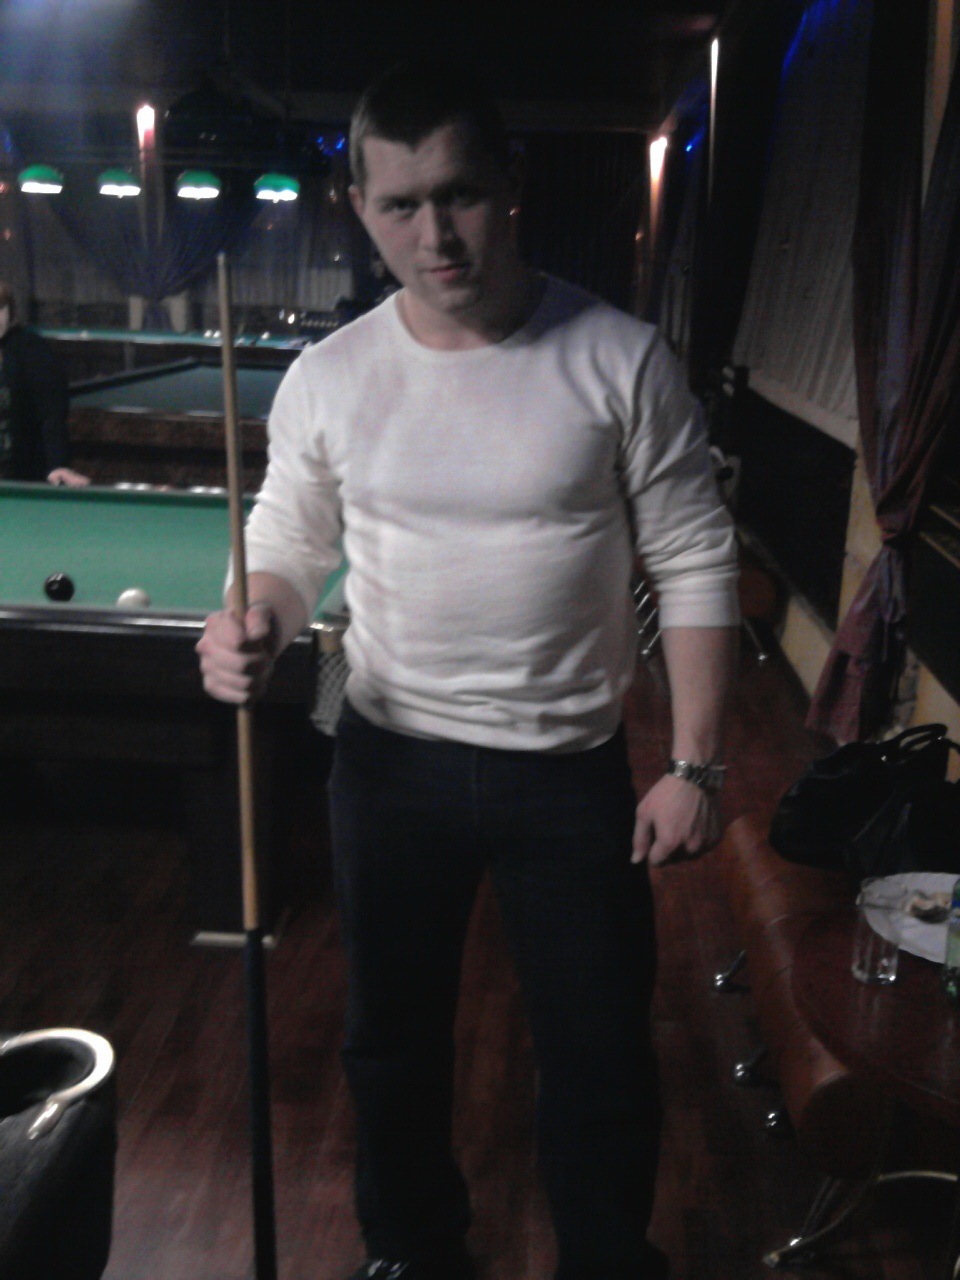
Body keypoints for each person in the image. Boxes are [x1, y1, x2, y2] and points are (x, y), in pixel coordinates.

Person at [197, 61, 740, 1280]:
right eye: (400, 205)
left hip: (568, 769)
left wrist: (698, 763)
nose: (434, 235)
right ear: (359, 206)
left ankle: (605, 1255)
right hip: (387, 754)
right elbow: (287, 542)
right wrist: (254, 620)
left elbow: (696, 557)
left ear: (512, 183)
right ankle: (411, 1250)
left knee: (599, 1046)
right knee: (388, 1041)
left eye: (460, 195)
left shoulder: (619, 357)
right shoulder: (331, 375)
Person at [0, 281, 88, 486]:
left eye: (0, 307)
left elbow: (51, 415)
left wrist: (57, 464)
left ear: (10, 312)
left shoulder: (33, 350)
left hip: (19, 477)